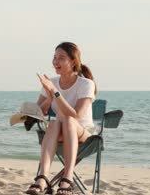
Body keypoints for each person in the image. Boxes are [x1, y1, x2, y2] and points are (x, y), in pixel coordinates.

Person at [26, 42, 97, 195]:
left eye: (61, 58)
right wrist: (50, 96)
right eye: (54, 57)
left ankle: (68, 177)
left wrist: (55, 93)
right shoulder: (51, 82)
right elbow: (39, 112)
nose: (55, 62)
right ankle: (43, 178)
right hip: (59, 131)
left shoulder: (86, 84)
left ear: (73, 61)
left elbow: (77, 115)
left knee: (69, 120)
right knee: (53, 122)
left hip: (83, 133)